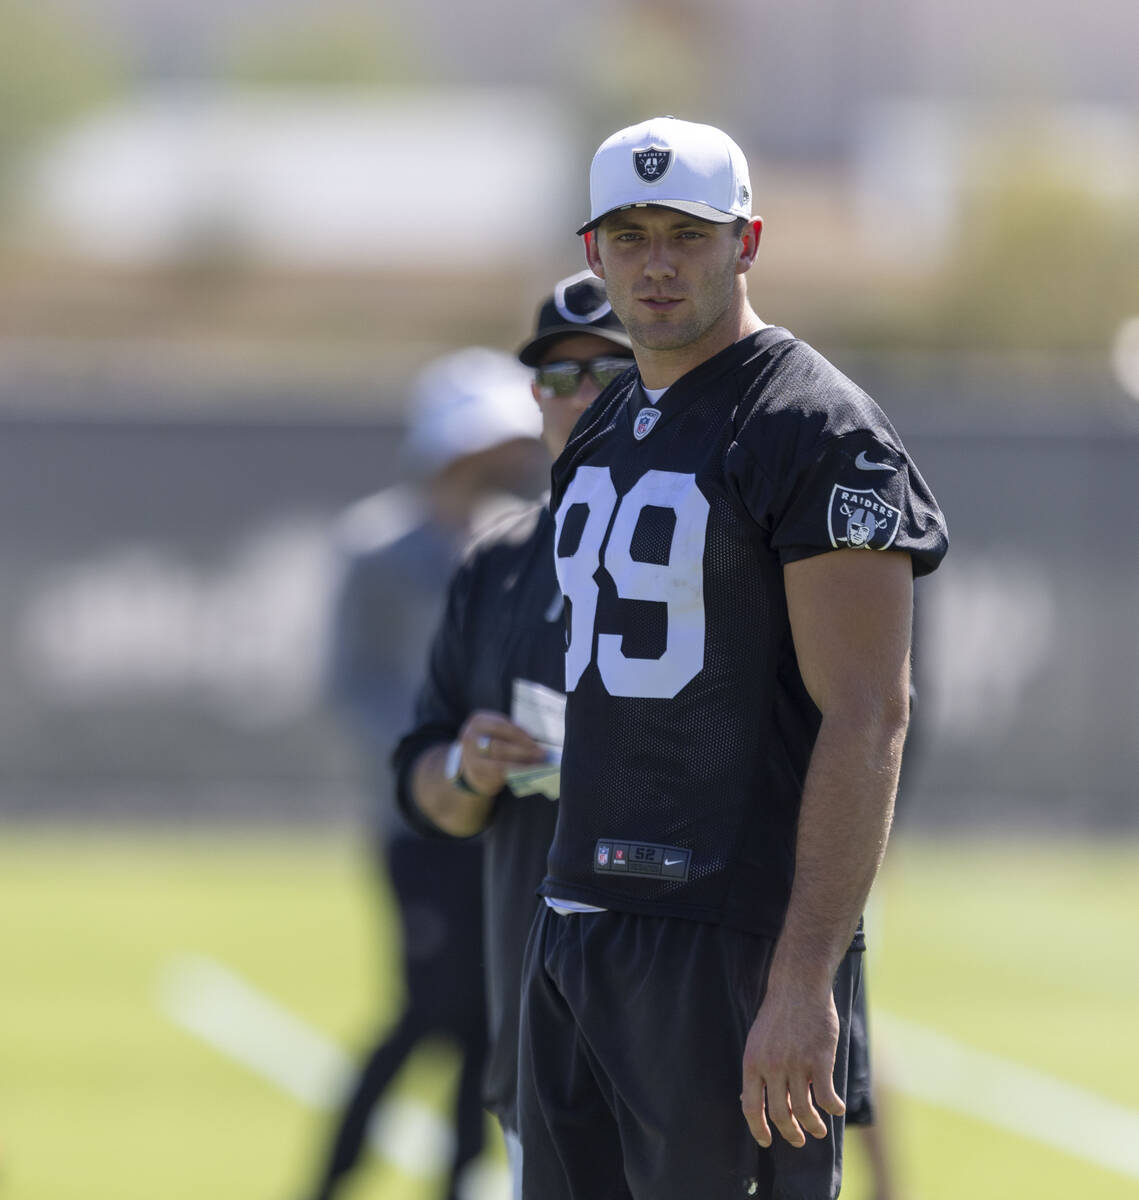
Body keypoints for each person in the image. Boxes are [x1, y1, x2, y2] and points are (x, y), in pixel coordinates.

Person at [516, 116, 949, 1200]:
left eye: (687, 234)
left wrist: (803, 976)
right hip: (578, 915)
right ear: (591, 250)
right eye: (629, 234)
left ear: (746, 241)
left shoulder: (815, 428)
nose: (656, 262)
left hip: (724, 936)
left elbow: (867, 714)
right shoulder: (610, 420)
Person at [391, 270, 637, 1194]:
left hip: (694, 1008)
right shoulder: (496, 562)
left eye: (607, 374)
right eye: (558, 376)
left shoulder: (740, 539)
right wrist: (470, 767)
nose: (578, 397)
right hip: (537, 1006)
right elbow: (423, 773)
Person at [297, 347, 544, 1200]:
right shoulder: (375, 547)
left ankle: (455, 1180)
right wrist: (427, 762)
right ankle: (333, 1176)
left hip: (502, 817)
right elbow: (348, 681)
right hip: (412, 819)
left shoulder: (519, 539)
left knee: (484, 1015)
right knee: (428, 1010)